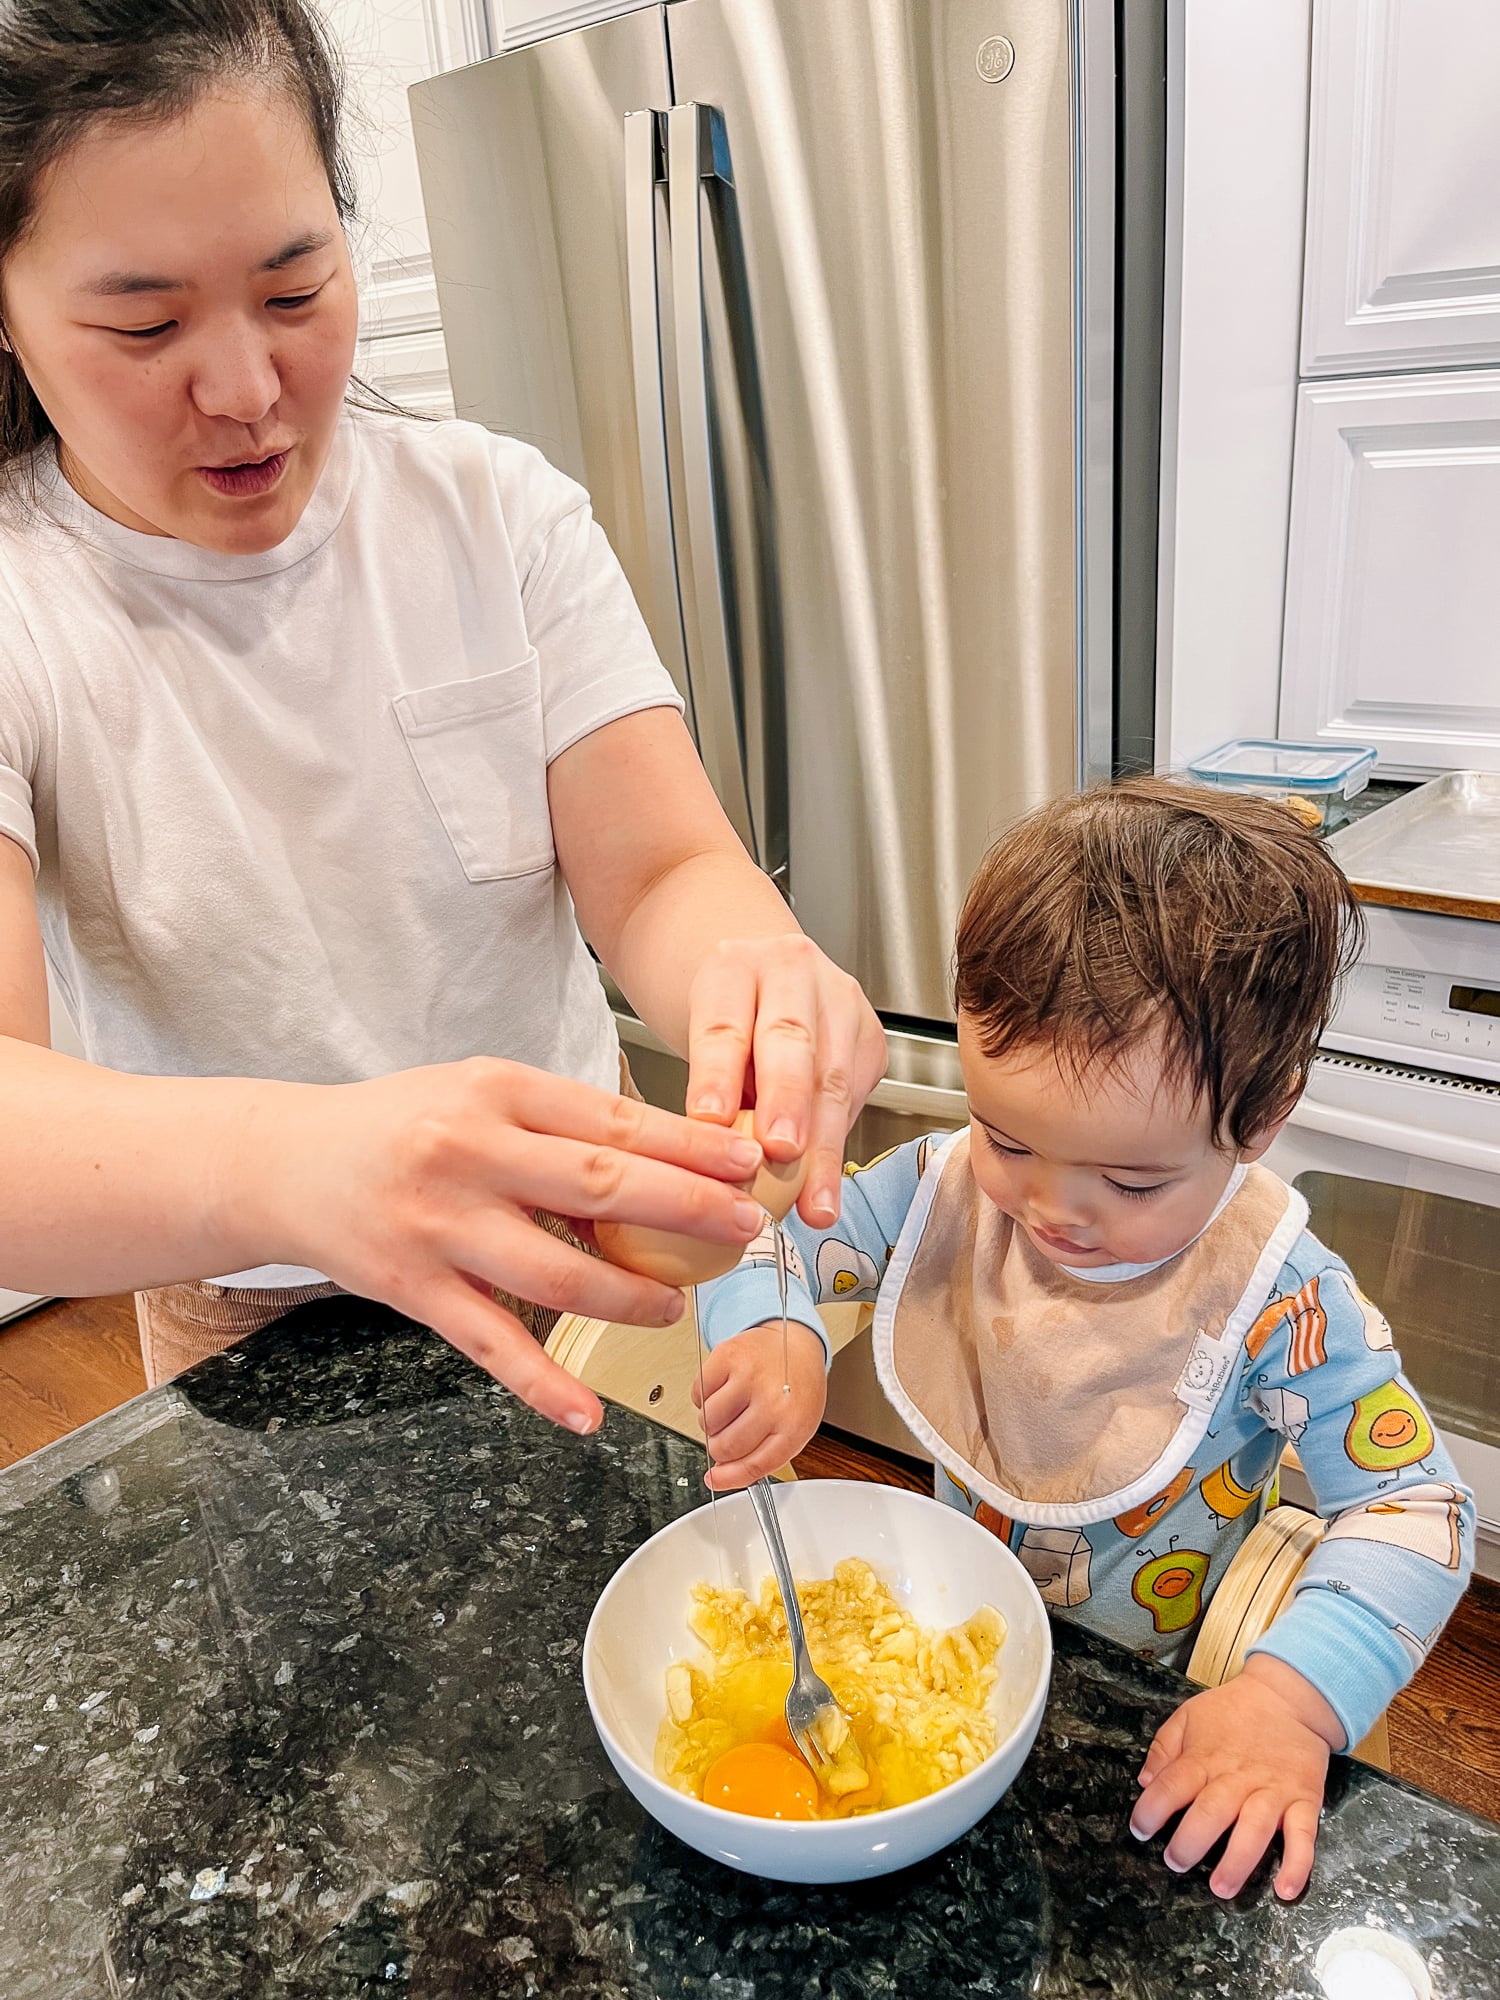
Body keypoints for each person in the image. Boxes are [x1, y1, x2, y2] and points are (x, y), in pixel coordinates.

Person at [0, 0, 883, 1424]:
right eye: (145, 323)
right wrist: (297, 1163)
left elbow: (663, 871)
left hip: (580, 1237)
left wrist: (754, 975)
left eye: (296, 291)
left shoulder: (494, 514)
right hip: (249, 1300)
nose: (247, 389)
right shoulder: (25, 603)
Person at [695, 777, 1474, 1901]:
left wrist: (1288, 1699)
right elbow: (757, 1239)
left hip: (1159, 1698)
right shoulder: (939, 1190)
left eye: (1133, 1179)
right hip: (952, 1666)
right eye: (1007, 1137)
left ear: (1260, 1119)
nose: (1052, 1210)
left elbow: (1419, 1507)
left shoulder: (1279, 1297)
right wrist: (778, 1327)